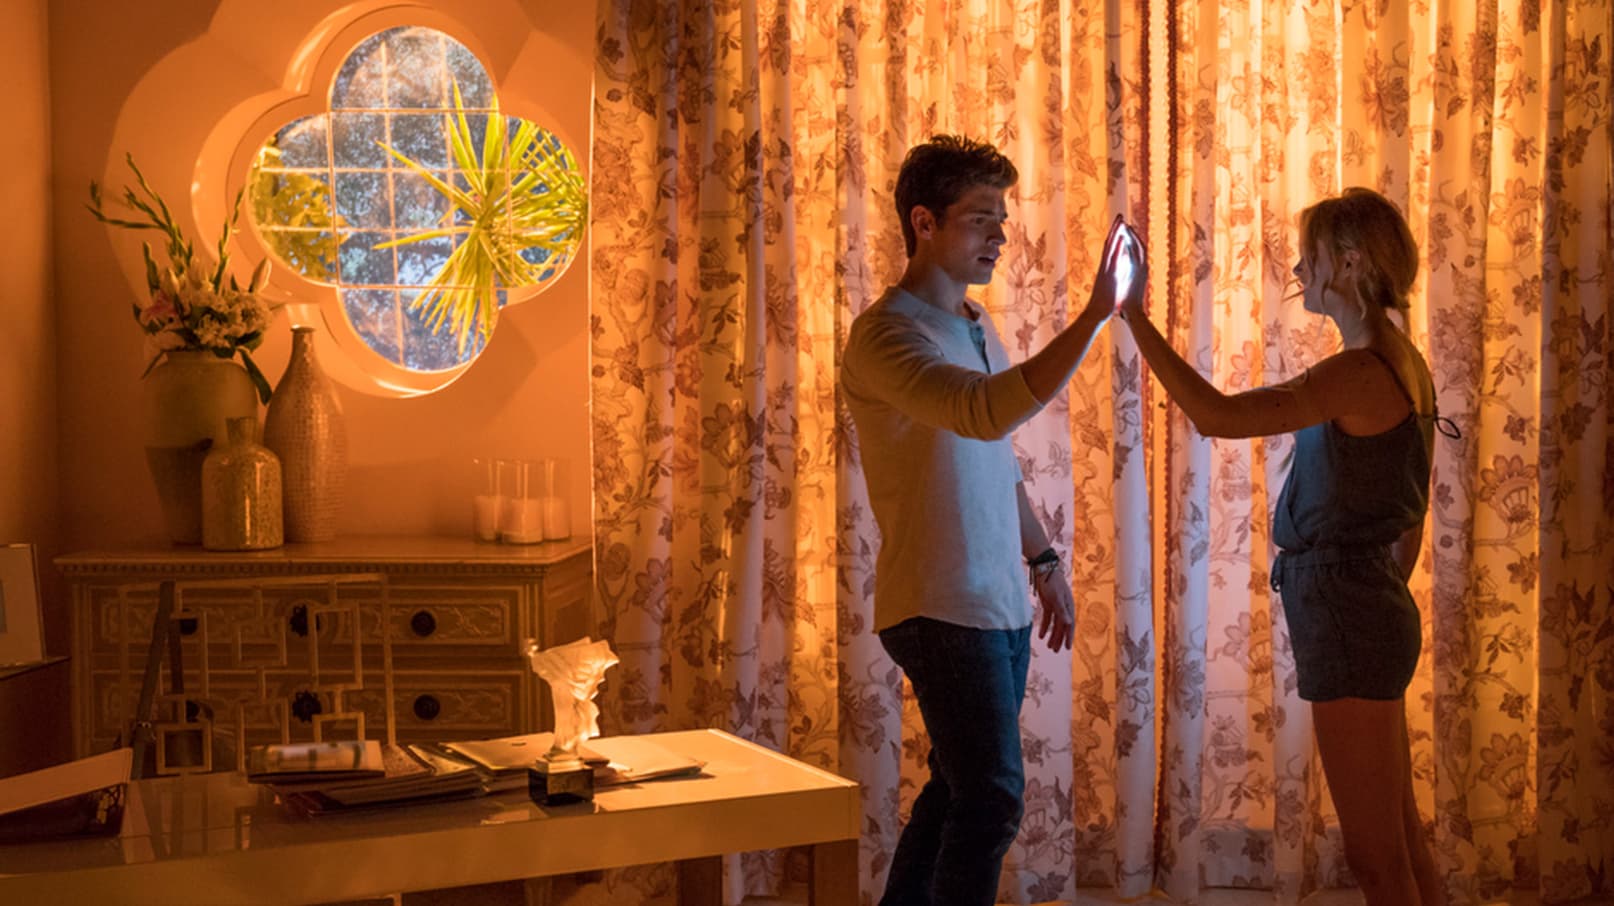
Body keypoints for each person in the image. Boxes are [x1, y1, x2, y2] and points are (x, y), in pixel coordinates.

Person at [1115, 188, 1450, 906]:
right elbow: (1410, 512)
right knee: (1400, 843)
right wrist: (1374, 594)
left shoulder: (1360, 371)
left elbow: (1216, 415)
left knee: (1375, 858)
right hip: (1364, 606)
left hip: (1350, 612)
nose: (1298, 269)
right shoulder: (1399, 359)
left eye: (1310, 256)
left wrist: (1134, 316)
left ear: (1350, 263)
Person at [840, 135, 1125, 905]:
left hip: (996, 602)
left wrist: (1044, 562)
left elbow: (995, 460)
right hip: (936, 603)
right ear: (924, 222)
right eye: (980, 218)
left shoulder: (975, 325)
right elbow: (980, 412)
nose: (1000, 234)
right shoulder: (884, 335)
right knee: (992, 798)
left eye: (1002, 218)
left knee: (957, 791)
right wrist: (1094, 316)